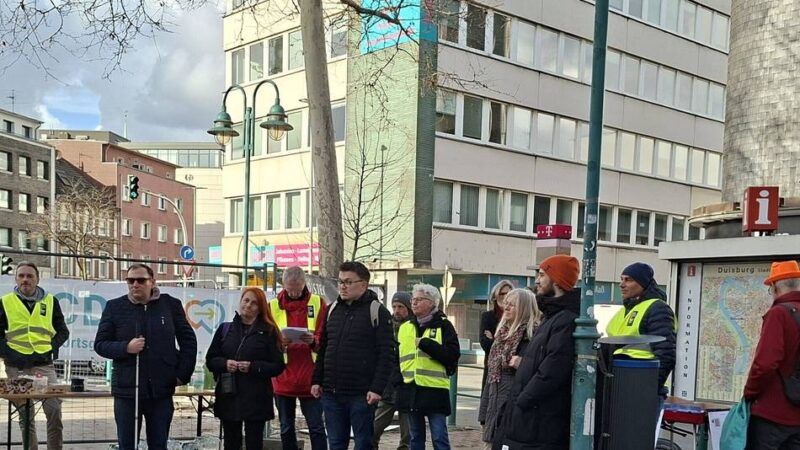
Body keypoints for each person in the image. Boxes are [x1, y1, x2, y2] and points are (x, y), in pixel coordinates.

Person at [94, 264, 197, 450]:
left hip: (161, 390)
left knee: (158, 444)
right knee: (127, 445)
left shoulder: (170, 305)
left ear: (152, 282)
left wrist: (181, 374)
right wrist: (126, 347)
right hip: (127, 391)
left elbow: (188, 340)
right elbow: (100, 344)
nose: (135, 284)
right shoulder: (114, 307)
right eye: (130, 280)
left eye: (140, 280)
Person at [498, 255, 580, 450]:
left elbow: (553, 370)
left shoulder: (565, 320)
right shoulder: (550, 317)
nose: (537, 280)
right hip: (529, 416)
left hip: (538, 420)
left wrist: (523, 400)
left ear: (557, 280)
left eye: (542, 275)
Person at [311, 261, 394, 450]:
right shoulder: (332, 310)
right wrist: (316, 380)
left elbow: (387, 354)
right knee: (336, 443)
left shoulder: (377, 312)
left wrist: (377, 389)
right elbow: (324, 348)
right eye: (340, 281)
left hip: (362, 395)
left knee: (363, 443)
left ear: (363, 285)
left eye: (348, 282)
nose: (342, 286)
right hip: (332, 393)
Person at [0, 262, 69, 450]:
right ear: (16, 278)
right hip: (16, 365)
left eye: (30, 276)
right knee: (25, 415)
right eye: (21, 276)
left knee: (54, 411)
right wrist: (10, 354)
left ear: (38, 279)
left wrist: (50, 349)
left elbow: (63, 331)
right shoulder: (5, 302)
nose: (25, 280)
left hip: (44, 364)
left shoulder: (50, 301)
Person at [207, 287, 286, 450]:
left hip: (256, 397)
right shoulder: (225, 329)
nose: (248, 305)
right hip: (229, 395)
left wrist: (253, 367)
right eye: (246, 300)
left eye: (254, 303)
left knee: (254, 442)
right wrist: (225, 364)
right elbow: (211, 360)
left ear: (261, 308)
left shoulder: (269, 332)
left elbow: (278, 366)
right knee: (231, 441)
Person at [395, 283, 460, 450]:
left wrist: (425, 344)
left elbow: (452, 356)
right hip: (411, 389)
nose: (414, 303)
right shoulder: (405, 327)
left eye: (419, 299)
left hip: (435, 391)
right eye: (413, 299)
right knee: (415, 437)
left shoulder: (444, 325)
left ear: (432, 302)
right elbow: (397, 358)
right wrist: (397, 383)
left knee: (439, 437)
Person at [270, 267, 328, 450]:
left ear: (304, 284)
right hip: (283, 376)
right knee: (286, 427)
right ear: (283, 285)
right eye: (289, 289)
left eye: (297, 289)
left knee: (316, 427)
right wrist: (279, 342)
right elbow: (265, 340)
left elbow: (326, 337)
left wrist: (314, 340)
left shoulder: (318, 303)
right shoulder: (272, 306)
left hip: (311, 377)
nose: (294, 293)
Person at [744, 260, 800, 448]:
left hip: (772, 415)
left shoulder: (779, 314)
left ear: (775, 287)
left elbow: (765, 363)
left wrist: (749, 393)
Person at [607, 263, 676, 409]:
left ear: (643, 283)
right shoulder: (624, 311)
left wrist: (650, 389)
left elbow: (666, 353)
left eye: (628, 280)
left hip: (641, 383)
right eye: (621, 279)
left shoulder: (657, 308)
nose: (622, 284)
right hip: (620, 383)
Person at [478, 288, 540, 450]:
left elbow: (538, 370)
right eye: (506, 304)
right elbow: (492, 376)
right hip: (494, 404)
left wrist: (522, 363)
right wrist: (484, 414)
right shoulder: (502, 335)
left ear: (524, 308)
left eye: (512, 305)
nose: (506, 308)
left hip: (512, 408)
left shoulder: (532, 335)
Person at [373, 292, 413, 450]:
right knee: (375, 428)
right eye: (394, 306)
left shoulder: (414, 327)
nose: (397, 310)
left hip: (408, 385)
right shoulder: (386, 326)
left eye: (401, 307)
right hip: (389, 385)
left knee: (408, 434)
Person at [480, 280, 513, 397]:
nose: (505, 297)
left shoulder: (517, 318)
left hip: (509, 371)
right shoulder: (488, 317)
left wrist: (494, 340)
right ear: (495, 296)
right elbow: (485, 344)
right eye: (502, 294)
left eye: (508, 293)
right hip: (491, 368)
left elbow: (515, 347)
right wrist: (504, 343)